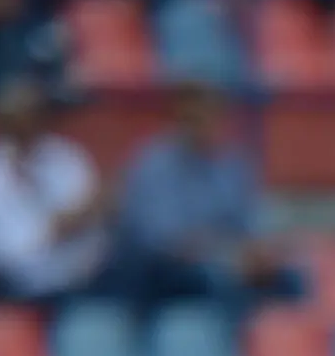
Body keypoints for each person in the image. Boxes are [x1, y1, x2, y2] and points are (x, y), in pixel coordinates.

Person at [108, 80, 288, 304]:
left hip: (228, 261)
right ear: (178, 118)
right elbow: (165, 240)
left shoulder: (233, 164)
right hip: (162, 273)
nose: (204, 125)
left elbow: (252, 223)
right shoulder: (154, 164)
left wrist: (259, 252)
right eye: (194, 118)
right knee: (219, 281)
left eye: (211, 115)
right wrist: (227, 255)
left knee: (289, 279)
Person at [0, 79, 107, 299]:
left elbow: (94, 211)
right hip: (13, 292)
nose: (26, 125)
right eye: (15, 120)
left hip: (87, 283)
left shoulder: (68, 157)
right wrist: (56, 230)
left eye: (33, 115)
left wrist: (80, 218)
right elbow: (5, 252)